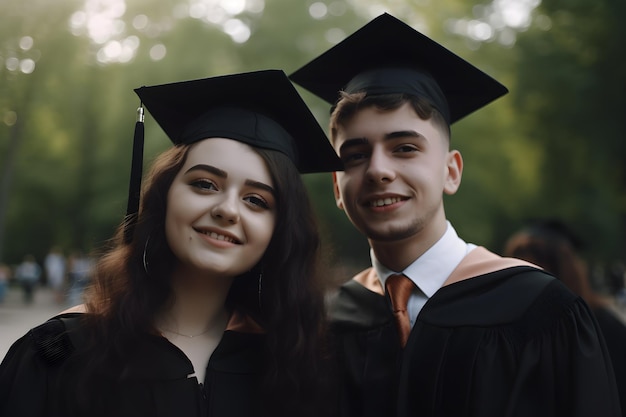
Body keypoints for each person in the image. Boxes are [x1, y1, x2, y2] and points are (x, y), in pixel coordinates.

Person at [290, 13, 622, 417]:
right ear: (336, 188)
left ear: (451, 172)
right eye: (356, 155)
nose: (378, 169)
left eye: (405, 148)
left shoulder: (539, 309)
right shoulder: (327, 324)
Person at [0, 69, 343, 417]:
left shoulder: (295, 366)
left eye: (257, 201)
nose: (227, 210)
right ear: (163, 198)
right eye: (205, 184)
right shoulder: (63, 351)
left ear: (279, 230)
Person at [503, 219, 626, 416]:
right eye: (518, 270)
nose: (525, 282)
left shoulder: (605, 330)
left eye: (536, 272)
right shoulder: (503, 328)